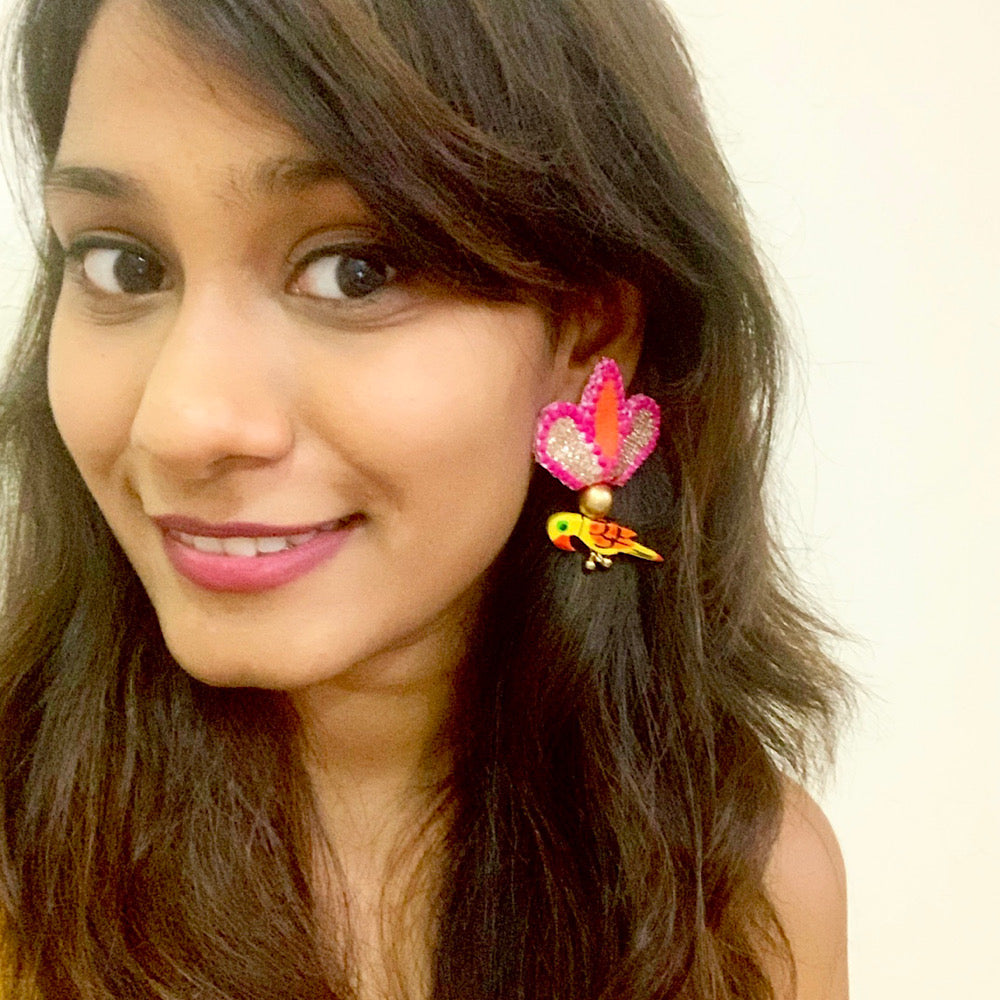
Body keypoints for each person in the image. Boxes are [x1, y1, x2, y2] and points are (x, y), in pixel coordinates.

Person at [0, 0, 851, 997]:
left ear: (588, 335)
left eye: (355, 272)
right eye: (124, 263)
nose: (179, 424)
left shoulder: (741, 893)